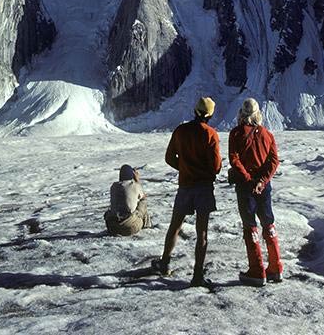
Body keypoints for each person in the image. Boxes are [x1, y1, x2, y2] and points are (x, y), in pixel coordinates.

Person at [154, 96, 222, 286]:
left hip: (185, 186)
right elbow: (216, 166)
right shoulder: (210, 134)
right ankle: (197, 276)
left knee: (175, 226)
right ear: (210, 114)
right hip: (203, 188)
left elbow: (169, 157)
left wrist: (184, 168)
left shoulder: (181, 130)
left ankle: (165, 262)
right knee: (202, 233)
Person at [228, 98, 283, 286]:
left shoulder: (236, 134)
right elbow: (274, 160)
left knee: (250, 225)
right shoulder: (267, 135)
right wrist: (262, 181)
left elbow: (234, 159)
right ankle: (276, 267)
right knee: (268, 222)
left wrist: (248, 179)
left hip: (245, 187)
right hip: (263, 186)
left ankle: (257, 270)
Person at [104, 164, 152, 236]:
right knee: (143, 201)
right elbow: (143, 196)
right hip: (130, 227)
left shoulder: (114, 186)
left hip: (113, 227)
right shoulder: (135, 186)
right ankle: (146, 226)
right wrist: (137, 180)